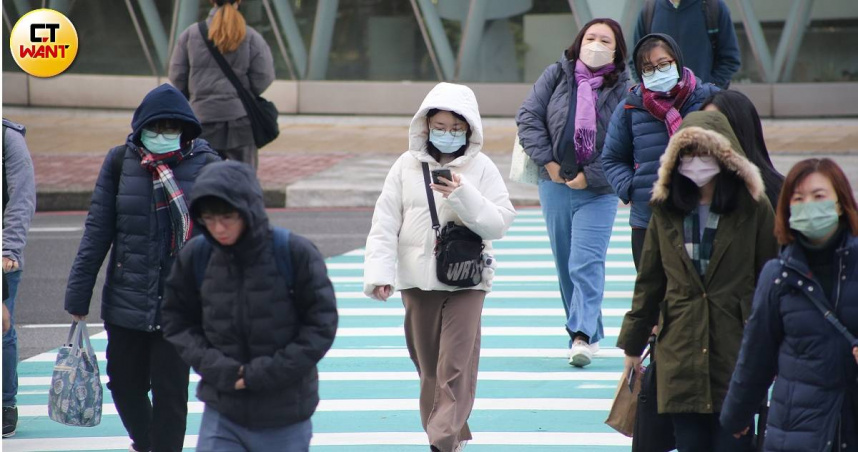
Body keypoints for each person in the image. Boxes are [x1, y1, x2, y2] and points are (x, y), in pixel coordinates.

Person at [64, 84, 220, 452]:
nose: (162, 135)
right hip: (127, 297)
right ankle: (148, 443)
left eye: (171, 127)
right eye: (156, 126)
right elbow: (98, 230)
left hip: (181, 304)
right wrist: (78, 292)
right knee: (122, 381)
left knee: (170, 394)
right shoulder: (120, 162)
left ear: (186, 130)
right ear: (140, 127)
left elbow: (223, 237)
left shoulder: (209, 165)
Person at [363, 82, 515, 452]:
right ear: (426, 126)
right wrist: (380, 275)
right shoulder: (405, 166)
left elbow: (499, 222)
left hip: (467, 280)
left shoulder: (481, 168)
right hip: (416, 280)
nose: (447, 135)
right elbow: (385, 221)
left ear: (469, 129)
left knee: (456, 366)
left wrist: (462, 195)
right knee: (429, 368)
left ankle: (442, 440)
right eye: (440, 127)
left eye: (455, 128)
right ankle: (449, 430)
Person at [616, 111, 779, 451]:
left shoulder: (753, 207)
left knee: (734, 442)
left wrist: (776, 347)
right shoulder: (666, 208)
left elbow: (771, 277)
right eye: (687, 154)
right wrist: (632, 345)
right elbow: (650, 281)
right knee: (689, 443)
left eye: (705, 153)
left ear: (725, 157)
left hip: (736, 347)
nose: (696, 163)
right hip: (681, 350)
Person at [162, 161, 337, 451]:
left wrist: (261, 375)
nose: (218, 228)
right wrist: (218, 368)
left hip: (285, 413)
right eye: (209, 219)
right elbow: (176, 320)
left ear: (249, 210)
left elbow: (321, 326)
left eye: (228, 217)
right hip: (223, 409)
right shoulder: (198, 255)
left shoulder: (294, 252)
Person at [720, 158, 858, 451]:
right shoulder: (778, 275)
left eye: (819, 196)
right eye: (798, 199)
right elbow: (757, 354)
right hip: (797, 428)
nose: (809, 205)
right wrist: (736, 415)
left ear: (840, 203)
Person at [516, 18, 630, 367]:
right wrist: (548, 164)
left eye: (604, 40)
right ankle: (586, 331)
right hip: (554, 184)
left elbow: (629, 142)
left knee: (586, 262)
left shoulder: (627, 88)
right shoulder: (557, 74)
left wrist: (591, 176)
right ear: (579, 43)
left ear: (616, 50)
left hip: (599, 190)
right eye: (590, 38)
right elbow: (528, 117)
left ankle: (580, 335)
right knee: (566, 265)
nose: (595, 44)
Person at [602, 33, 718, 268]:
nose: (657, 71)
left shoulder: (708, 100)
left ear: (677, 60)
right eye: (648, 68)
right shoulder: (631, 106)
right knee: (651, 295)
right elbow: (612, 158)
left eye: (664, 64)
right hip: (648, 218)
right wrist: (633, 188)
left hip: (702, 213)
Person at [169, 0, 275, 169]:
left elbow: (177, 76)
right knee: (243, 182)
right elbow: (264, 76)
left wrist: (196, 96)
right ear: (239, 1)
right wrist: (245, 93)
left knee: (202, 180)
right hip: (240, 120)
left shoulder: (190, 34)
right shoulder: (251, 36)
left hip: (202, 120)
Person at [2, 118, 36, 438]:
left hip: (2, 255)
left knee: (2, 331)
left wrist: (8, 248)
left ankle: (5, 403)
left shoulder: (8, 139)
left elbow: (22, 197)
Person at [702, 90, 785, 208]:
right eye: (705, 126)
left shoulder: (779, 193)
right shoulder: (692, 191)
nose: (710, 136)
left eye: (720, 127)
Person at [631, 0, 740, 89]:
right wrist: (650, 89)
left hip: (702, 107)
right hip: (659, 107)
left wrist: (709, 90)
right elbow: (636, 61)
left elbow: (730, 59)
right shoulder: (649, 10)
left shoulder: (713, 7)